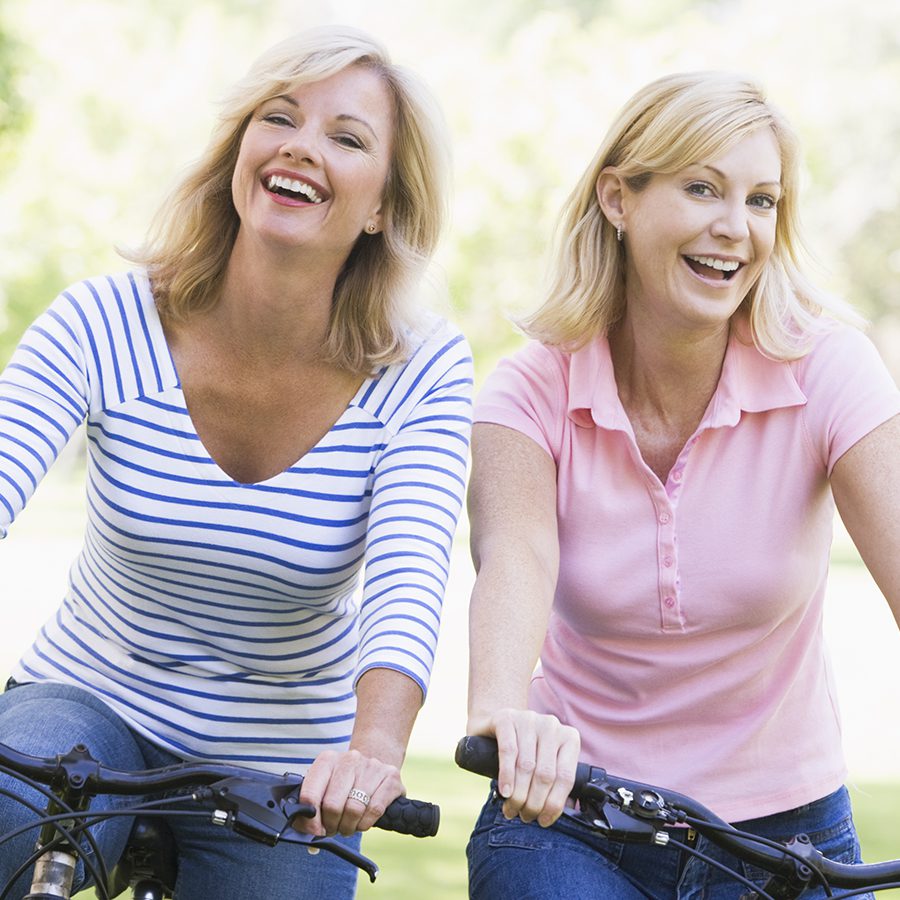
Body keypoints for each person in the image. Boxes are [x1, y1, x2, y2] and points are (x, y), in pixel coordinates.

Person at [0, 25, 472, 899]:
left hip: (284, 758)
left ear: (381, 208)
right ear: (239, 152)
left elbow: (409, 576)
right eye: (279, 118)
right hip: (85, 697)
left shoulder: (423, 369)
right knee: (11, 828)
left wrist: (373, 750)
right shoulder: (106, 319)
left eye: (347, 136)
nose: (301, 147)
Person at [464, 70, 900, 899]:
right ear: (619, 199)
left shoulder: (829, 369)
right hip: (575, 817)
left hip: (787, 832)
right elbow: (514, 556)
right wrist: (500, 711)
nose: (735, 228)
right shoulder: (530, 393)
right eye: (703, 188)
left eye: (762, 200)